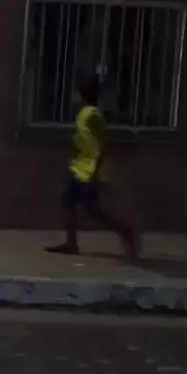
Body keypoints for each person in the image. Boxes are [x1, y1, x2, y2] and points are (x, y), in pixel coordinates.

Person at [45, 74, 140, 260]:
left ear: (81, 94)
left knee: (94, 212)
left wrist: (96, 171)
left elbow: (104, 143)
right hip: (79, 167)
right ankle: (71, 243)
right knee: (68, 202)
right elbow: (86, 139)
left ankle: (126, 231)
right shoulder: (83, 114)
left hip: (90, 170)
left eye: (75, 92)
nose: (73, 95)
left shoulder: (92, 115)